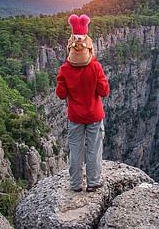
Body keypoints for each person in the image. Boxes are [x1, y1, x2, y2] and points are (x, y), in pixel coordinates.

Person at [56, 14, 110, 192]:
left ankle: (75, 184)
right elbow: (104, 91)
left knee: (75, 150)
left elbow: (61, 94)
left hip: (75, 117)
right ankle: (93, 183)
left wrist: (64, 81)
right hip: (94, 115)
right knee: (94, 149)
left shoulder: (64, 69)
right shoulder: (95, 67)